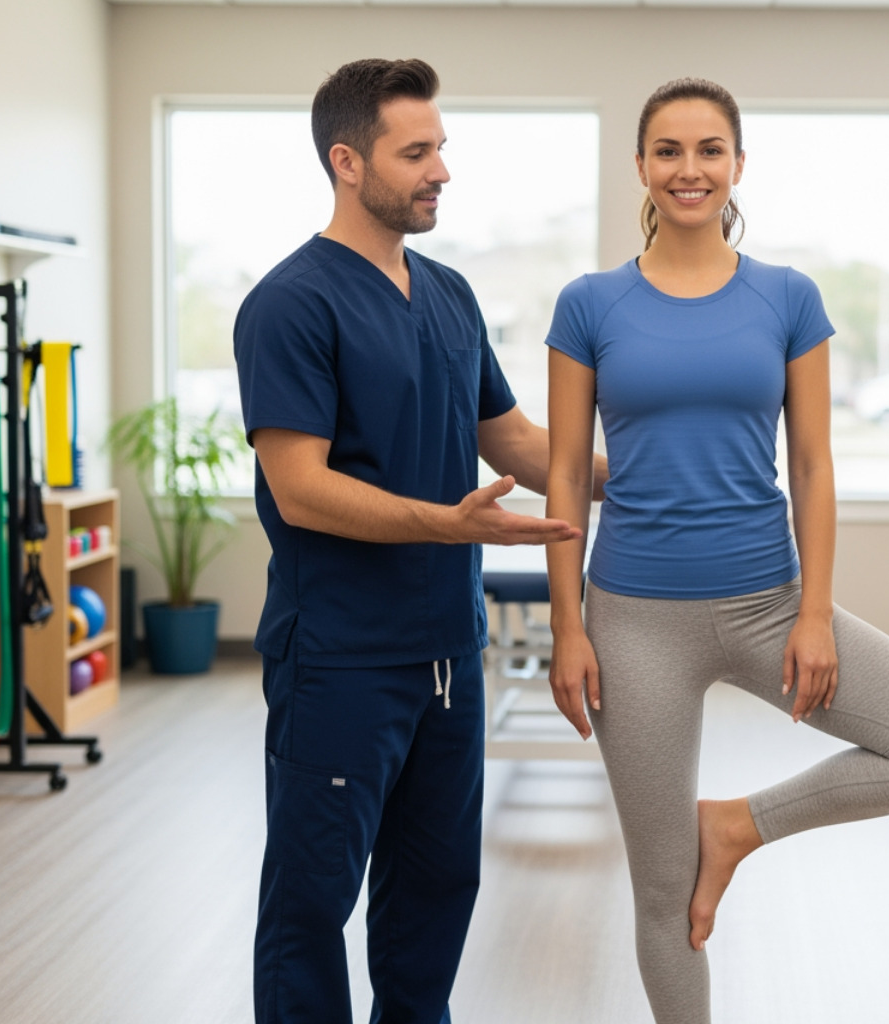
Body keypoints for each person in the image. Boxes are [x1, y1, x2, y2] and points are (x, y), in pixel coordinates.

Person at [543, 78, 889, 1024]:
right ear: (641, 168)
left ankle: (735, 826)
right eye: (668, 151)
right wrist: (568, 628)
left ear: (739, 165)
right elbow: (562, 478)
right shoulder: (589, 304)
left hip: (770, 604)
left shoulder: (788, 298)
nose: (689, 169)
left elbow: (816, 464)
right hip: (632, 621)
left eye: (710, 150)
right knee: (663, 896)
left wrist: (817, 612)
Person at [234, 58, 605, 1024]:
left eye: (441, 147)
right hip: (342, 660)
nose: (441, 169)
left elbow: (513, 441)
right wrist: (450, 525)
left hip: (448, 655)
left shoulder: (447, 294)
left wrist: (645, 470)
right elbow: (301, 489)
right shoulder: (291, 304)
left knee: (437, 894)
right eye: (417, 152)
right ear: (347, 161)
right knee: (313, 908)